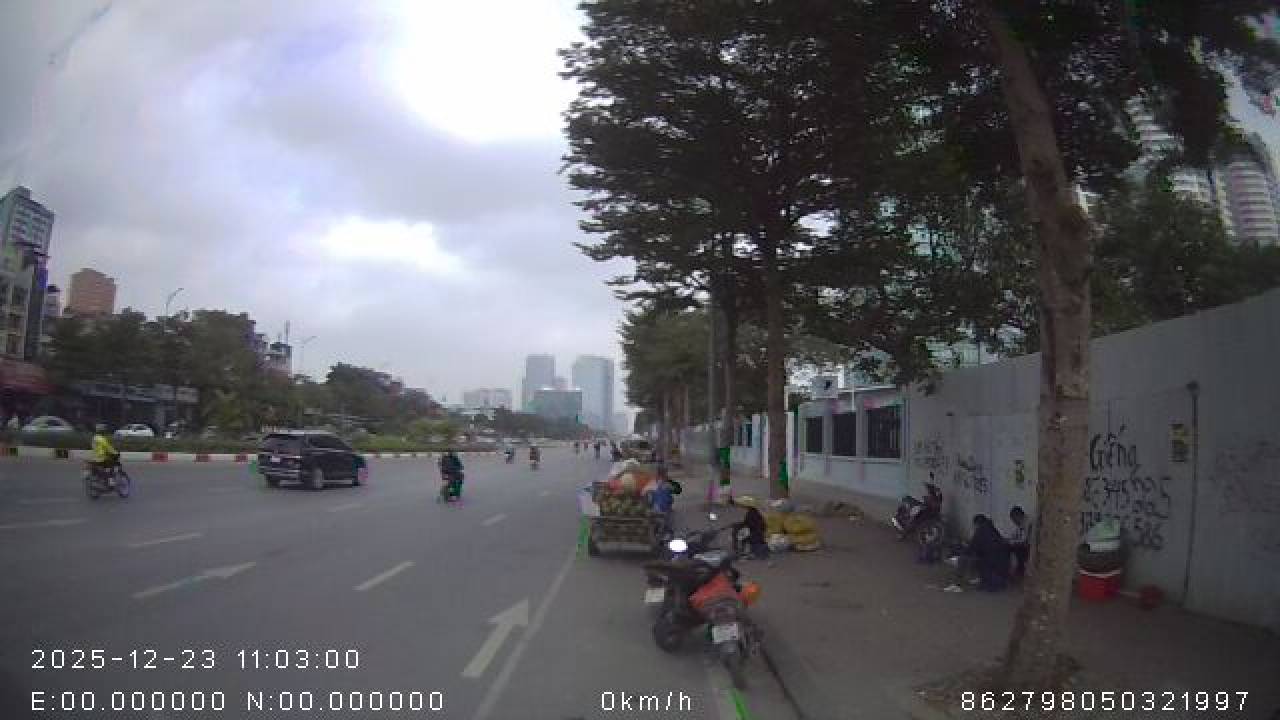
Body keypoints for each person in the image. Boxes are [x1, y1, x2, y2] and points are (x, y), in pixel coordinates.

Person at [948, 514, 1010, 592]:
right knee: (975, 558)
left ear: (977, 524)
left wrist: (961, 549)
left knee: (963, 559)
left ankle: (956, 584)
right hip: (1002, 566)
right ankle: (979, 579)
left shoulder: (981, 531)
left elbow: (971, 549)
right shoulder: (993, 530)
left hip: (992, 565)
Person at [1007, 506, 1032, 581]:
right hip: (1022, 545)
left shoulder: (1028, 522)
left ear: (1018, 515)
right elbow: (1014, 536)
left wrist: (1012, 542)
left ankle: (1018, 572)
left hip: (1027, 547)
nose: (1014, 522)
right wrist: (1008, 540)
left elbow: (1025, 540)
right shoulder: (1020, 524)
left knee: (1014, 549)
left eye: (1014, 520)